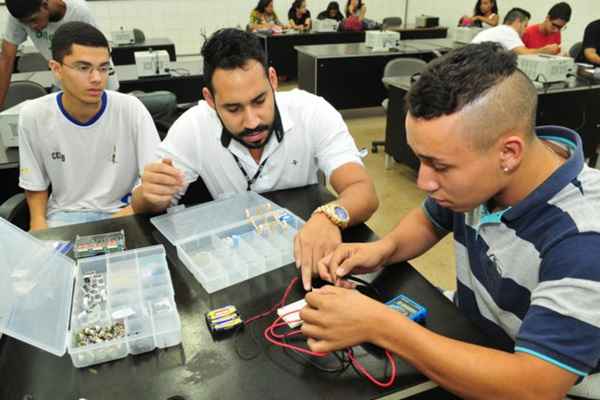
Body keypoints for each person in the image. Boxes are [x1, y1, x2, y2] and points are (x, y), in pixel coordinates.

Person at [300, 42, 600, 399]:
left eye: (439, 166)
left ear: (509, 153)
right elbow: (430, 219)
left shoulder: (585, 239)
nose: (424, 182)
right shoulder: (482, 177)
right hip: (476, 333)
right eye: (421, 161)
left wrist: (382, 327)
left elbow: (534, 386)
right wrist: (383, 250)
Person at [132, 28, 378, 285]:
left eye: (259, 100)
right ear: (210, 100)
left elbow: (362, 190)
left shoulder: (313, 112)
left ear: (273, 80)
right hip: (236, 263)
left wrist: (328, 216)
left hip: (300, 256)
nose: (251, 121)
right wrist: (149, 196)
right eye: (233, 108)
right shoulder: (193, 125)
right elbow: (142, 202)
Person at [18, 22, 160, 230]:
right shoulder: (34, 115)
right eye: (83, 68)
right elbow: (34, 183)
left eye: (103, 68)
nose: (97, 79)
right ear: (56, 69)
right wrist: (38, 226)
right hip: (64, 216)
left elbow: (152, 182)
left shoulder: (130, 109)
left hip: (123, 212)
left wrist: (118, 219)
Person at [0, 0, 119, 110]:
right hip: (64, 81)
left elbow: (98, 53)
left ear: (45, 5)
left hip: (96, 77)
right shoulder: (19, 14)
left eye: (34, 20)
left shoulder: (78, 11)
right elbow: (6, 59)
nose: (32, 27)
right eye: (25, 23)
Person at [472, 7, 560, 55]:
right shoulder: (508, 31)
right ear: (517, 22)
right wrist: (543, 50)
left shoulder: (497, 30)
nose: (525, 30)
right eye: (525, 25)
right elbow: (524, 53)